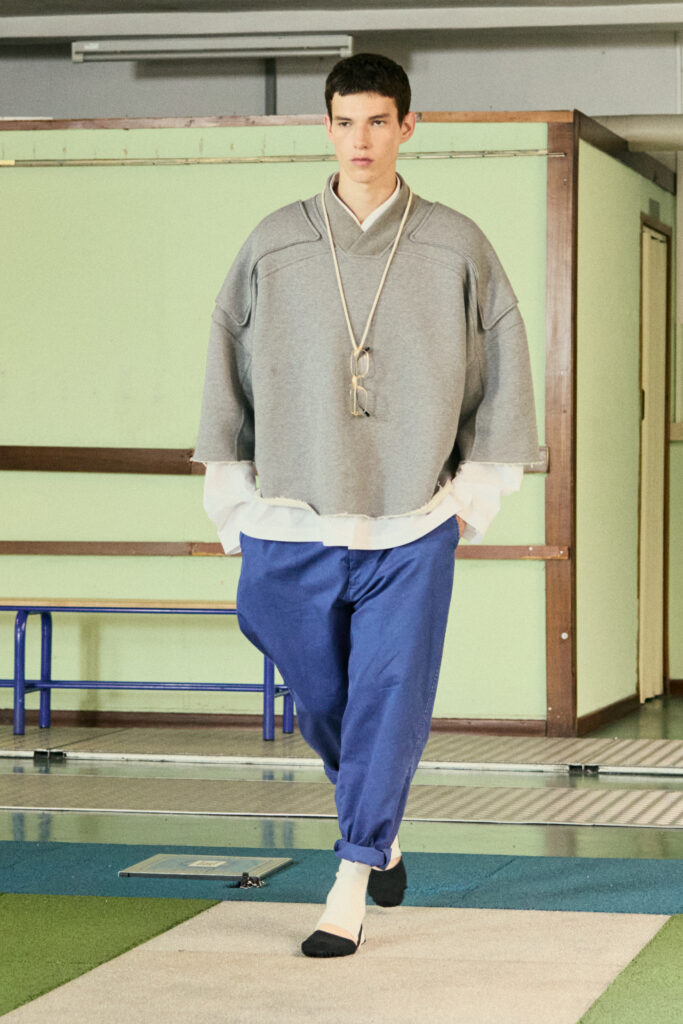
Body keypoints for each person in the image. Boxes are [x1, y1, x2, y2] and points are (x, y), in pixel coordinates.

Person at [194, 52, 539, 958]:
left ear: (407, 127)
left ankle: (349, 878)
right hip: (289, 517)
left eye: (378, 122)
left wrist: (472, 498)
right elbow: (226, 361)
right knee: (320, 696)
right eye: (345, 122)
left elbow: (504, 366)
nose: (361, 140)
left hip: (411, 521)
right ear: (326, 127)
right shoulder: (276, 240)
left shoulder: (455, 242)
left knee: (389, 696)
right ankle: (378, 825)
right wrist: (232, 499)